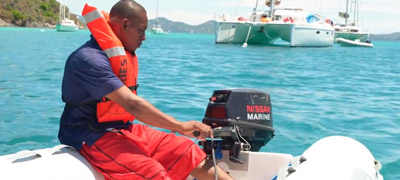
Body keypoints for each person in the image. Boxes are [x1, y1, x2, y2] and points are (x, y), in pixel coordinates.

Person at [58, 0, 233, 179]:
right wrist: (180, 126)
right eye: (141, 30)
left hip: (122, 129)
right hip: (89, 134)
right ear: (125, 24)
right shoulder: (89, 60)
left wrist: (180, 129)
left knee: (186, 149)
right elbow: (131, 104)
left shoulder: (119, 55)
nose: (144, 37)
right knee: (151, 172)